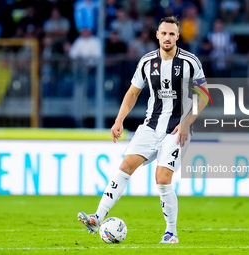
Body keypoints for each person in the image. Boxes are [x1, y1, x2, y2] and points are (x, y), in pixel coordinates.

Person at [77, 16, 208, 243]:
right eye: (163, 33)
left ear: (178, 36)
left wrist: (187, 122)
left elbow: (204, 95)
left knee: (162, 177)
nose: (167, 38)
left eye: (171, 34)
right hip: (151, 126)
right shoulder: (147, 62)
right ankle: (97, 217)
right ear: (157, 35)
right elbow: (132, 93)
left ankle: (171, 232)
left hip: (177, 129)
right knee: (126, 165)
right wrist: (119, 121)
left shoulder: (190, 62)